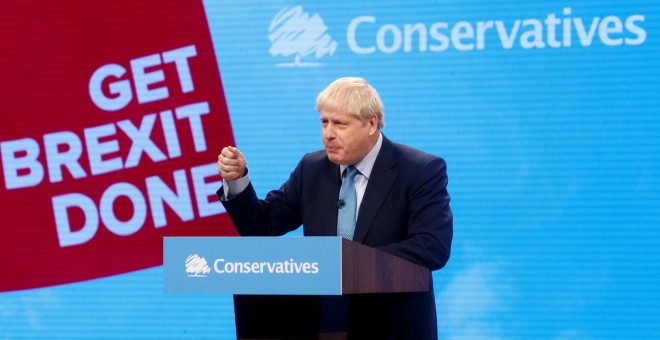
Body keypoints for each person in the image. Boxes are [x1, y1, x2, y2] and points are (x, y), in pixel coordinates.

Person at [216, 76, 453, 339]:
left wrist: (347, 265)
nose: (328, 134)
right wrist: (237, 181)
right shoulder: (312, 168)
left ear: (371, 123)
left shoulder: (419, 170)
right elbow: (262, 225)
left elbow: (432, 247)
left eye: (340, 124)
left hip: (389, 325)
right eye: (324, 122)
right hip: (320, 324)